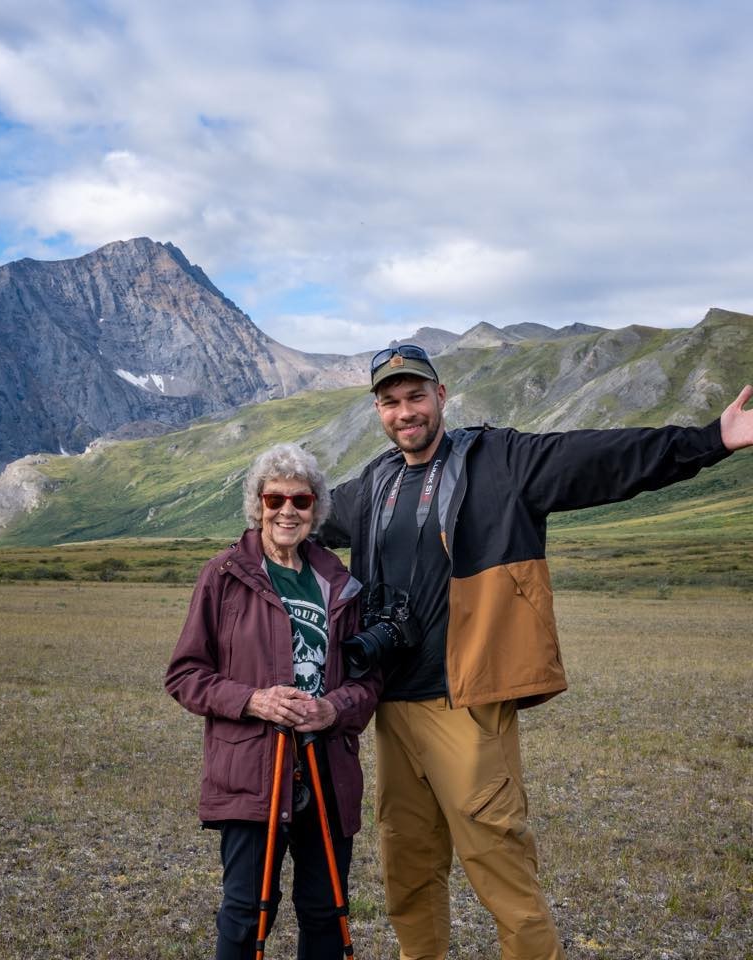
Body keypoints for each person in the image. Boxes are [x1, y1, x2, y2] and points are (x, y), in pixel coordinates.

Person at [315, 343, 753, 960]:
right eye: (390, 402)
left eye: (416, 396)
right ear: (378, 412)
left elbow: (602, 459)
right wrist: (266, 512)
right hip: (390, 707)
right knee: (406, 871)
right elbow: (303, 511)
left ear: (441, 397)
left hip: (465, 703)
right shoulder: (376, 483)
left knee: (502, 875)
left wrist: (712, 440)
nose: (404, 411)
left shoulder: (501, 461)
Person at [165, 442, 381, 960]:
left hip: (325, 768)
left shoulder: (339, 582)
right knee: (245, 912)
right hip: (253, 772)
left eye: (301, 501)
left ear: (316, 509)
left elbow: (368, 683)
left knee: (327, 913)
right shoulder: (223, 576)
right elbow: (186, 675)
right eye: (275, 498)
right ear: (257, 504)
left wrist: (334, 709)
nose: (287, 510)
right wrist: (253, 700)